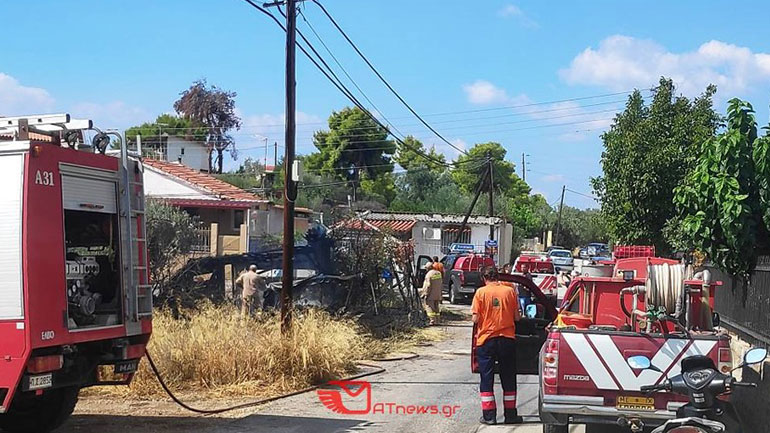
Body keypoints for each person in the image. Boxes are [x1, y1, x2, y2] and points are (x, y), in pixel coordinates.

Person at [472, 266, 523, 425]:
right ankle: (510, 415)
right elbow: (517, 317)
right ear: (497, 277)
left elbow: (475, 319)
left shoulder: (481, 293)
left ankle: (489, 416)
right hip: (507, 339)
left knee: (486, 378)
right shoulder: (509, 291)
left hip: (486, 340)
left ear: (484, 278)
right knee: (508, 377)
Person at [421, 261, 443, 325]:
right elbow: (441, 284)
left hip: (431, 294)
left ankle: (432, 320)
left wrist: (425, 293)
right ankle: (437, 320)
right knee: (436, 307)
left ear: (428, 268)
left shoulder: (429, 275)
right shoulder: (438, 273)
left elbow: (428, 285)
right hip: (438, 294)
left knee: (429, 307)